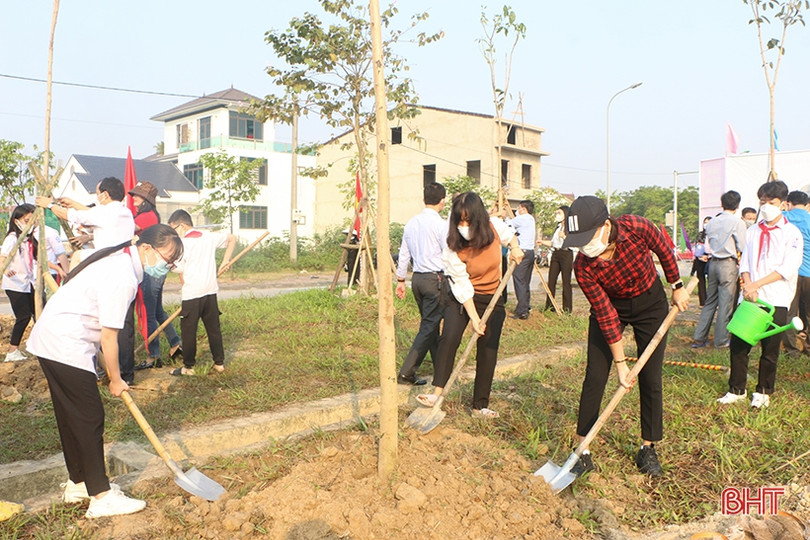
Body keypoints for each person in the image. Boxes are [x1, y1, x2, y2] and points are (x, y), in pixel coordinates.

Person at [26, 224, 183, 518]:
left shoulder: (123, 260)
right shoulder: (122, 274)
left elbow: (100, 334)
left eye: (173, 264)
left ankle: (79, 483)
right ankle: (101, 496)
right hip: (64, 344)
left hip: (53, 340)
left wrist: (105, 369)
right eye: (168, 260)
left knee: (71, 417)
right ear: (147, 248)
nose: (168, 267)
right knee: (89, 418)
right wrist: (115, 379)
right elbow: (109, 337)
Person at [560, 196, 689, 478]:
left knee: (651, 377)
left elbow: (664, 249)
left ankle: (648, 447)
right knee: (595, 375)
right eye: (578, 240)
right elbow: (605, 315)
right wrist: (620, 364)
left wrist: (676, 285)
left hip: (650, 304)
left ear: (606, 225)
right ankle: (583, 448)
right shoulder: (583, 266)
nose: (585, 246)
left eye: (588, 237)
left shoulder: (636, 227)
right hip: (612, 307)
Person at [416, 192, 524, 418]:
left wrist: (514, 248)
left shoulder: (494, 226)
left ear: (479, 219)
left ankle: (479, 405)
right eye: (460, 220)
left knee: (488, 350)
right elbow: (462, 284)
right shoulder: (452, 245)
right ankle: (437, 393)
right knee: (449, 339)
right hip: (462, 297)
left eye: (468, 220)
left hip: (493, 297)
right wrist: (474, 318)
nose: (464, 225)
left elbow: (510, 236)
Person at [718, 181, 802, 408]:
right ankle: (736, 388)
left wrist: (757, 285)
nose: (766, 207)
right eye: (762, 202)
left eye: (771, 202)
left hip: (776, 297)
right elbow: (744, 261)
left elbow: (787, 268)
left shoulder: (792, 233)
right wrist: (747, 284)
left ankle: (763, 391)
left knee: (770, 348)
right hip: (750, 297)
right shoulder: (753, 230)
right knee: (739, 344)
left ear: (783, 204)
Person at [167, 210, 236, 376]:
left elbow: (181, 268)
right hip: (210, 290)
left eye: (174, 230)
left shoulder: (182, 244)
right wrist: (225, 261)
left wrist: (170, 265)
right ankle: (219, 363)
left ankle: (188, 367)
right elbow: (232, 238)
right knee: (214, 328)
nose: (174, 234)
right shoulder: (208, 236)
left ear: (182, 226)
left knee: (189, 332)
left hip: (192, 294)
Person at [395, 182, 448, 386]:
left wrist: (401, 280)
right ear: (442, 201)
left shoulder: (411, 223)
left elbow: (403, 254)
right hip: (435, 279)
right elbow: (448, 253)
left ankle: (440, 368)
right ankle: (407, 371)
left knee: (431, 324)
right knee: (429, 325)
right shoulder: (440, 225)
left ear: (424, 199)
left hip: (417, 279)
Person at [129, 182, 182, 370]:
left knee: (148, 313)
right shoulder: (150, 215)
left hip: (151, 268)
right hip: (155, 268)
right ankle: (176, 343)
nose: (133, 198)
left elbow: (127, 228)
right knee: (157, 311)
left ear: (146, 200)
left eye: (137, 196)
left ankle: (153, 356)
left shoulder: (146, 216)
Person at [692, 191, 747, 349]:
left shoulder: (712, 222)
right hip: (727, 264)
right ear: (737, 205)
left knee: (710, 301)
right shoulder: (737, 222)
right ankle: (721, 340)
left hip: (713, 263)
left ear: (722, 203)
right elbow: (742, 246)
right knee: (725, 303)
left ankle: (699, 338)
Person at [38, 176, 135, 250]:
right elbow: (91, 213)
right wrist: (73, 204)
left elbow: (69, 215)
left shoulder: (103, 211)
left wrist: (49, 205)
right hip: (126, 260)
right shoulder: (126, 212)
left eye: (98, 194)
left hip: (107, 260)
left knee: (77, 257)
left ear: (105, 194)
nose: (97, 198)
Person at [1, 204, 37, 362]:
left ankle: (39, 346)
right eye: (27, 220)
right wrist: (5, 270)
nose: (30, 224)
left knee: (38, 314)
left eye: (33, 220)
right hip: (15, 284)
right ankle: (12, 351)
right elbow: (3, 258)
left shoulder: (30, 239)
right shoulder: (13, 238)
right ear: (17, 221)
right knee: (23, 317)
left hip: (29, 283)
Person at [782, 190, 810, 355]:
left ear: (788, 203)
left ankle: (791, 350)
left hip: (789, 273)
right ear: (806, 205)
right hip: (809, 273)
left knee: (790, 312)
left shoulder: (784, 219)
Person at [506, 200, 536, 319]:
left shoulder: (522, 218)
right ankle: (525, 305)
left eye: (518, 208)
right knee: (525, 282)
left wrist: (503, 214)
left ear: (523, 209)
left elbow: (508, 223)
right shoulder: (531, 219)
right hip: (530, 252)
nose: (517, 210)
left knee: (519, 281)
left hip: (522, 252)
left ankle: (522, 311)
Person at [545, 205, 574, 313]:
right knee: (551, 280)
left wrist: (564, 237)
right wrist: (542, 242)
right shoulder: (557, 227)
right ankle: (549, 306)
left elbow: (573, 244)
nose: (558, 215)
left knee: (566, 282)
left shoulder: (570, 227)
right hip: (556, 253)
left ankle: (567, 309)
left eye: (560, 213)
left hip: (566, 253)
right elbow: (553, 243)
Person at [690, 216, 712, 307]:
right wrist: (700, 256)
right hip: (700, 260)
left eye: (708, 222)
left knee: (711, 280)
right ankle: (702, 301)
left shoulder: (714, 234)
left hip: (710, 259)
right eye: (705, 222)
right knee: (701, 280)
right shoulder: (700, 234)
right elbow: (698, 246)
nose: (706, 224)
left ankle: (711, 301)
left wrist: (707, 256)